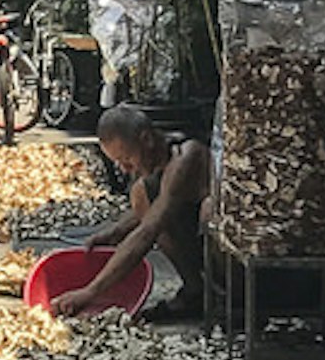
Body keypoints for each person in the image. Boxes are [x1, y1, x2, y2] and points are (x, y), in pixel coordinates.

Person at [54, 105, 213, 320]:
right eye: (118, 163)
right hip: (191, 235)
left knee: (190, 207)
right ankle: (196, 290)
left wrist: (89, 292)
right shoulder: (160, 166)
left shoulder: (185, 158)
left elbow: (149, 229)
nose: (125, 169)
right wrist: (115, 232)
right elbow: (153, 208)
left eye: (127, 160)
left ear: (146, 139)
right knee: (141, 192)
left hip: (223, 256)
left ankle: (207, 293)